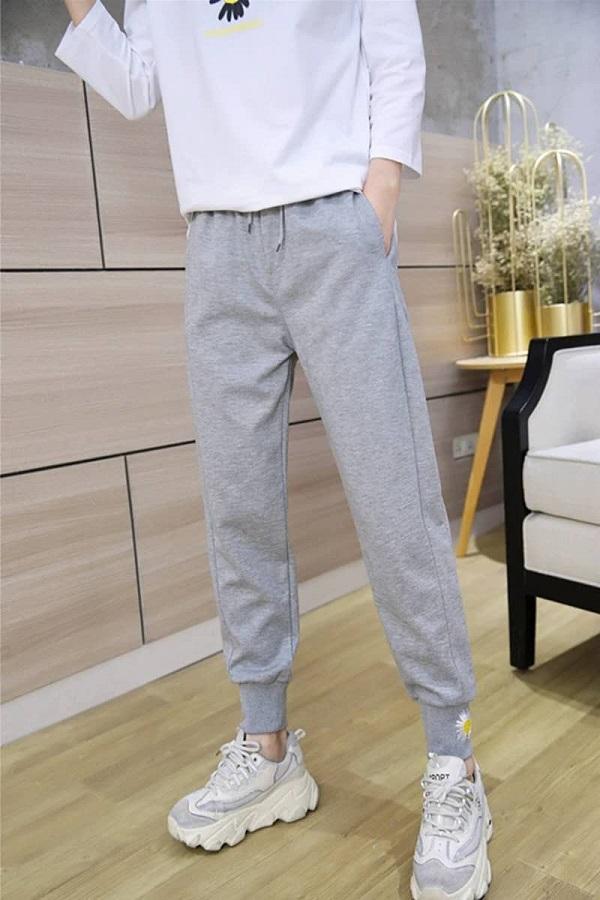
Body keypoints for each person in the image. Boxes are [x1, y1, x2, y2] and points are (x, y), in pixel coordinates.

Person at [55, 1, 493, 896]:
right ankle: (268, 749)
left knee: (393, 498)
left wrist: (379, 191)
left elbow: (393, 46)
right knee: (239, 506)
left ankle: (454, 758)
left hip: (334, 222)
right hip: (219, 242)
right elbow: (136, 81)